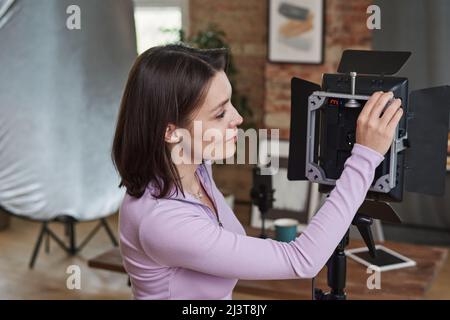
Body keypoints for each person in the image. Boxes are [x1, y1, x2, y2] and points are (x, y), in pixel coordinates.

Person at [112, 43, 403, 300]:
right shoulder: (163, 222)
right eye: (220, 113)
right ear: (171, 132)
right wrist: (366, 156)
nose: (237, 118)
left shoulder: (194, 168)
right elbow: (301, 260)